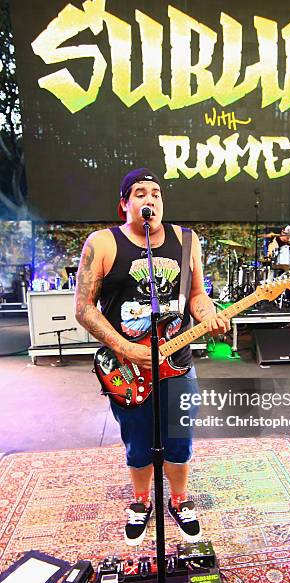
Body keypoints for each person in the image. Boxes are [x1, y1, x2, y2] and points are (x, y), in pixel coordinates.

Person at [75, 167, 229, 547]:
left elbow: (196, 294)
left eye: (156, 194)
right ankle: (141, 502)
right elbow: (84, 308)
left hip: (178, 362)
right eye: (140, 193)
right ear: (124, 204)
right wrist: (126, 348)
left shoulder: (187, 240)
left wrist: (208, 315)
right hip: (127, 366)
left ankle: (179, 500)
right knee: (138, 442)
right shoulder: (103, 243)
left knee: (180, 438)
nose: (150, 200)